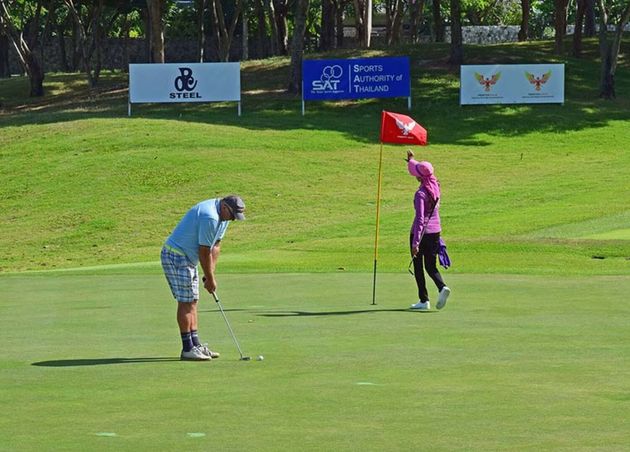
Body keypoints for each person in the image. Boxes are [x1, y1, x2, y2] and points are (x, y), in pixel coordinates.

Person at [161, 195, 246, 361]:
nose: (233, 220)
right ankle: (187, 349)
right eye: (233, 216)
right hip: (176, 255)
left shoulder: (224, 217)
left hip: (188, 258)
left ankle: (195, 345)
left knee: (193, 301)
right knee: (186, 301)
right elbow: (204, 250)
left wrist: (210, 275)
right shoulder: (210, 217)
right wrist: (210, 278)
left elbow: (216, 245)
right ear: (224, 207)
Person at [405, 150, 451, 310]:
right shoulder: (435, 186)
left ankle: (424, 300)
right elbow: (423, 170)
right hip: (435, 232)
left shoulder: (420, 194)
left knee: (418, 267)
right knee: (431, 266)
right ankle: (442, 287)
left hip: (421, 234)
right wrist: (411, 160)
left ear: (420, 177)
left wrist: (415, 243)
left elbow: (420, 219)